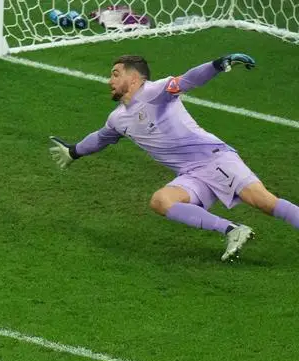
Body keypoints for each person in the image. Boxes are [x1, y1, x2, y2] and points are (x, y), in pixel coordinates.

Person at [50, 54, 299, 262]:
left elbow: (189, 80)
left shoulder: (155, 92)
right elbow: (100, 138)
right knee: (161, 201)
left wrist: (217, 64)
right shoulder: (118, 119)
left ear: (134, 77)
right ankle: (232, 230)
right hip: (191, 174)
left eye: (116, 74)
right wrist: (73, 152)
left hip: (215, 160)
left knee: (265, 202)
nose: (110, 80)